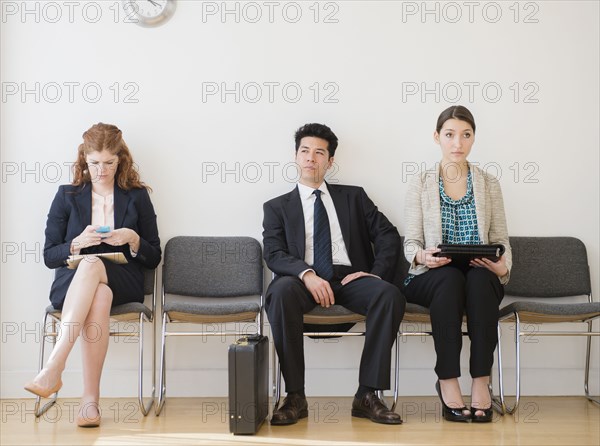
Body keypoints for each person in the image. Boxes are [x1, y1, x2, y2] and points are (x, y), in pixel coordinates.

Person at [263, 123, 405, 426]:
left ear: (330, 162)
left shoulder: (354, 197)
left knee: (389, 294)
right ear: (296, 156)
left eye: (319, 152)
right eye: (304, 151)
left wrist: (374, 274)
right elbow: (274, 254)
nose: (310, 158)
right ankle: (295, 396)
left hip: (350, 279)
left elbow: (388, 236)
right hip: (303, 283)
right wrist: (306, 273)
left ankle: (367, 394)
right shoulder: (277, 207)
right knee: (279, 292)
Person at [24, 123, 161, 427]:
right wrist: (76, 244)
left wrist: (132, 238)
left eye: (109, 163)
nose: (101, 171)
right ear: (84, 159)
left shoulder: (136, 197)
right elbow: (49, 255)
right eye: (94, 163)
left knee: (94, 268)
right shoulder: (67, 195)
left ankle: (55, 366)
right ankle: (90, 403)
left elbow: (154, 255)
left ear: (120, 159)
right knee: (96, 286)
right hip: (72, 283)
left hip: (124, 278)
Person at [402, 105, 511, 423]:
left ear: (474, 138)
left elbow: (502, 238)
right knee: (450, 280)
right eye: (449, 135)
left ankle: (481, 382)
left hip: (480, 269)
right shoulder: (420, 182)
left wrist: (502, 267)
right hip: (433, 273)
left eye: (465, 135)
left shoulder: (489, 184)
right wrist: (422, 256)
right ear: (437, 137)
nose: (457, 143)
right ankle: (447, 380)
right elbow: (411, 243)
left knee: (478, 282)